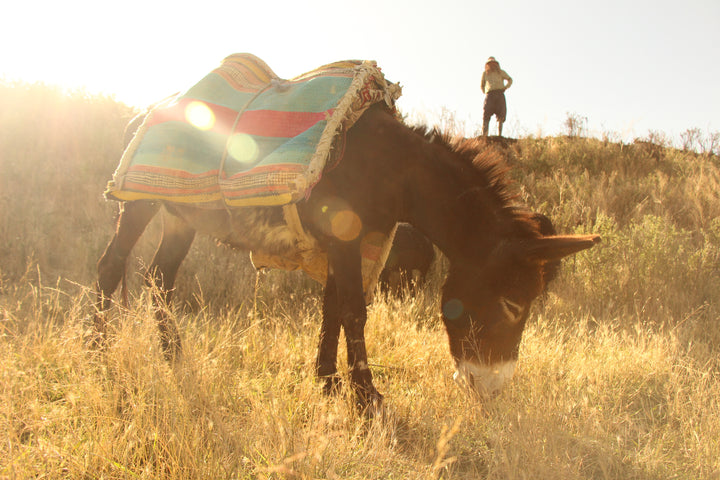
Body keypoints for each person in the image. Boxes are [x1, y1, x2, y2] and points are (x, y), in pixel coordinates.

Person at [480, 56, 512, 137]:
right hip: (490, 95)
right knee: (486, 114)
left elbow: (510, 79)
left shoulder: (501, 72)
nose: (492, 65)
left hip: (499, 94)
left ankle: (499, 135)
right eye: (490, 63)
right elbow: (482, 85)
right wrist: (485, 92)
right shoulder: (485, 74)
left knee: (501, 115)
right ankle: (484, 135)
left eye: (493, 63)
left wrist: (506, 87)